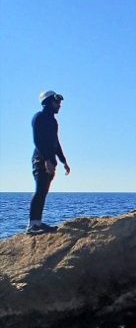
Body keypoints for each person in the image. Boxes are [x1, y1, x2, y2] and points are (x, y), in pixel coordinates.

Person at [28, 90, 70, 234]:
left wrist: (63, 161)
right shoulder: (38, 118)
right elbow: (37, 141)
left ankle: (37, 222)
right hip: (40, 159)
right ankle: (32, 225)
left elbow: (56, 143)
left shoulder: (53, 122)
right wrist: (46, 160)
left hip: (50, 161)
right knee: (40, 190)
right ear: (48, 102)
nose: (59, 105)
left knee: (44, 191)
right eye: (57, 102)